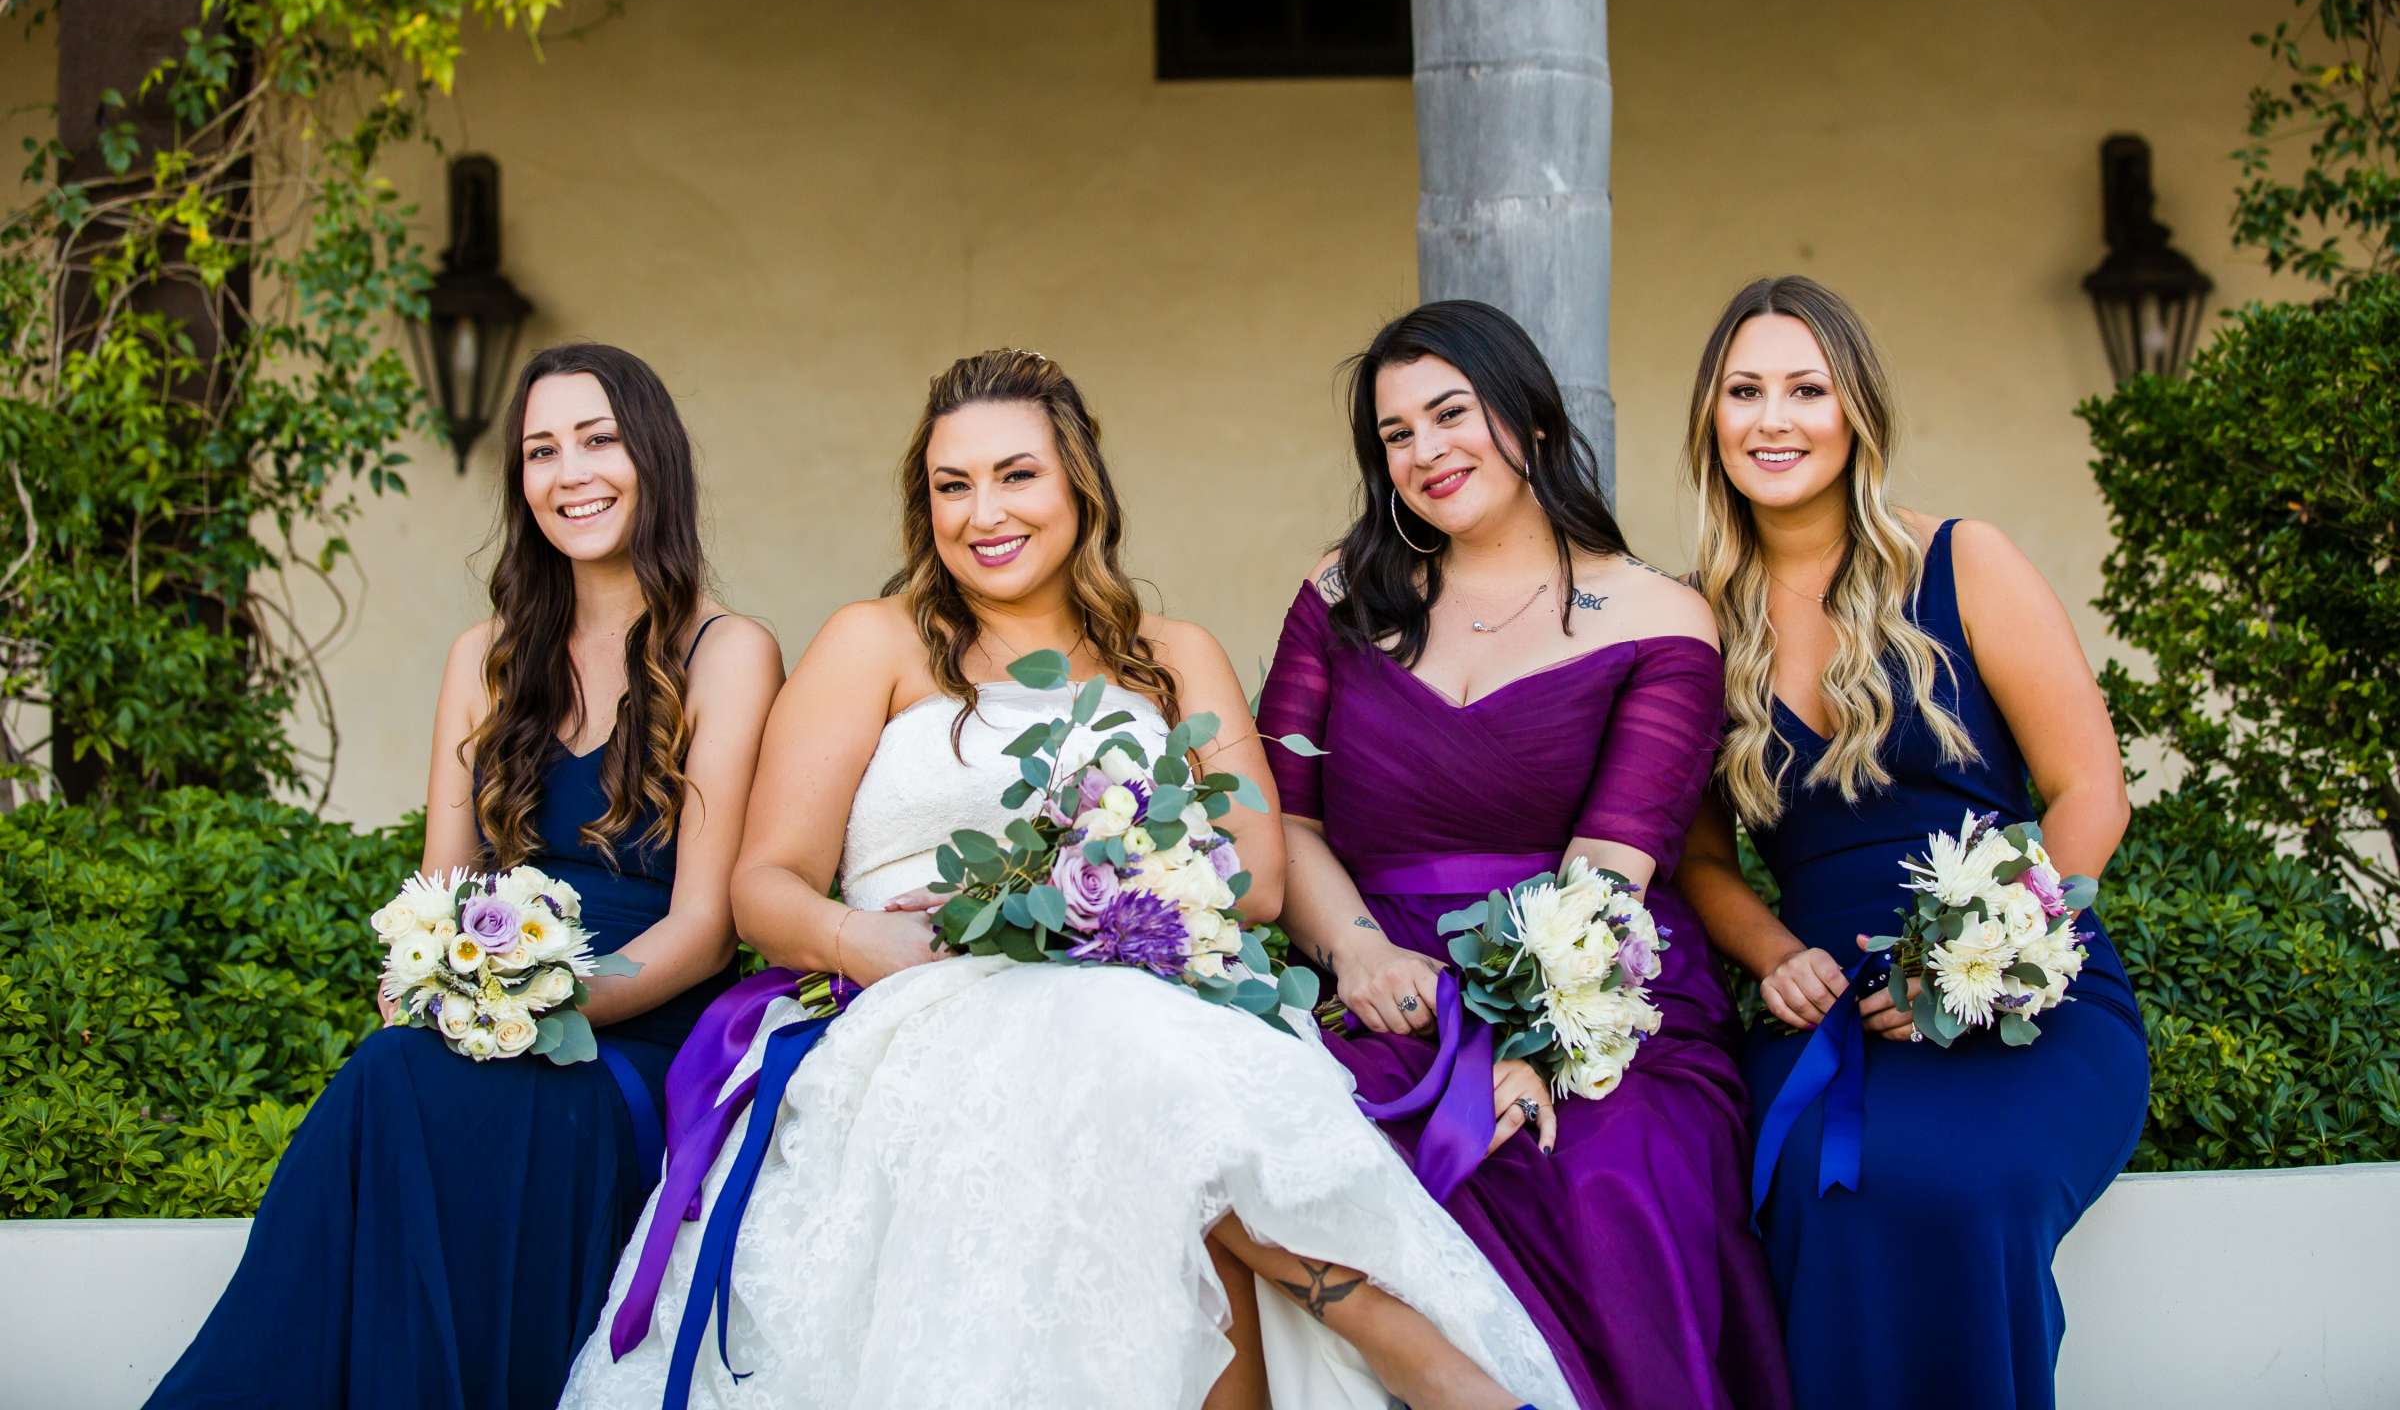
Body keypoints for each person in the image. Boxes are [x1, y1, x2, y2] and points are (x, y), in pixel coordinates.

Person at [563, 349, 1569, 1410]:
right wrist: (872, 943)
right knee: (1110, 1052)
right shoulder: (877, 643)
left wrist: (1089, 894)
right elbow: (765, 885)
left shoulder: (1171, 654)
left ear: (1079, 487)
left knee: (1112, 1040)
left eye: (1015, 475)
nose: (981, 512)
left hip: (1145, 999)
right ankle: (1378, 1322)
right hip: (911, 1001)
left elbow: (1259, 876)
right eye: (952, 486)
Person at [148, 342, 783, 1410]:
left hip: (637, 1037)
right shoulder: (483, 656)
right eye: (541, 450)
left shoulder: (728, 651)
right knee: (392, 1074)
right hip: (491, 1018)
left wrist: (553, 1003)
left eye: (598, 440)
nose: (569, 472)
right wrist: (437, 991)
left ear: (654, 458)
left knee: (402, 1088)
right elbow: (438, 891)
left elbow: (705, 929)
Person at [1253, 300, 1791, 1410]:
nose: (1426, 451)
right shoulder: (1343, 596)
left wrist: (1537, 1047)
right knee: (1278, 1140)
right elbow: (1286, 818)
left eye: (1451, 413)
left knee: (1602, 1175)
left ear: (1532, 420)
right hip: (1378, 971)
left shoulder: (1658, 618)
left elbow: (1613, 868)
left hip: (1598, 993)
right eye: (1396, 434)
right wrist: (1355, 954)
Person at [1674, 276, 2149, 1410]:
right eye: (1745, 391)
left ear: (1857, 414)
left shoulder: (1962, 560)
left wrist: (1978, 949)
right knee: (1821, 1195)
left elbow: (2092, 788)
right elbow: (1695, 857)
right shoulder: (1689, 619)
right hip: (1827, 1000)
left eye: (1806, 389)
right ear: (1710, 420)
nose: (1773, 419)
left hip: (2022, 978)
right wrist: (1773, 954)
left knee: (1971, 1184)